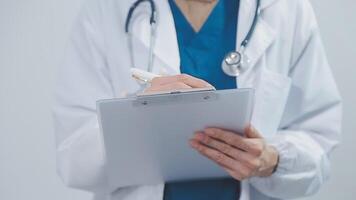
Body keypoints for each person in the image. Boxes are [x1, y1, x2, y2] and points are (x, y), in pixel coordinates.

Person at [52, 0, 342, 200]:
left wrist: (273, 160)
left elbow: (318, 141)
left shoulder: (285, 10)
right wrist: (134, 119)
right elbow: (73, 158)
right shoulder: (108, 11)